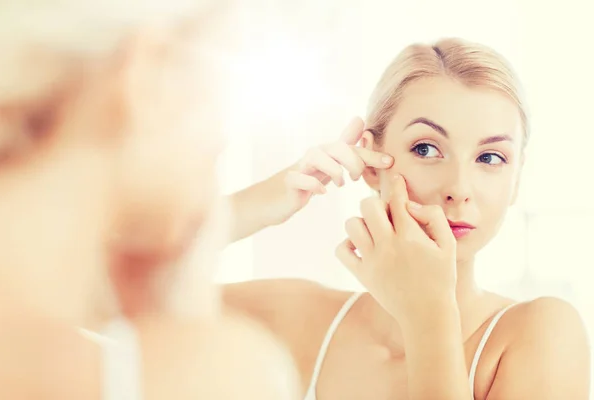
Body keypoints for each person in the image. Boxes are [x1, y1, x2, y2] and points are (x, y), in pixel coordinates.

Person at [224, 37, 591, 399]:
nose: (459, 188)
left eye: (490, 158)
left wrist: (428, 320)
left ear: (516, 181)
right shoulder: (300, 317)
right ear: (371, 164)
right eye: (427, 149)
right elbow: (164, 315)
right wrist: (255, 205)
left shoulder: (542, 334)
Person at [0, 1, 299, 398]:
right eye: (223, 90)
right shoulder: (220, 374)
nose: (222, 139)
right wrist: (181, 335)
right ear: (148, 76)